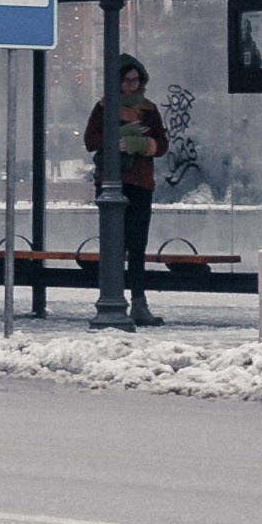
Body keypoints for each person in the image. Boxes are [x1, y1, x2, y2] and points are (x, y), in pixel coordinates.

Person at [83, 55, 169, 326]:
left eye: (136, 80)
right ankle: (113, 299)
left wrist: (143, 145)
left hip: (141, 183)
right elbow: (90, 140)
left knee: (137, 246)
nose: (131, 85)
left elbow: (162, 144)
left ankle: (139, 303)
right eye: (126, 80)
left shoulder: (149, 109)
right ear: (117, 82)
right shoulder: (104, 108)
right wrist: (118, 139)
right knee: (114, 246)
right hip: (112, 183)